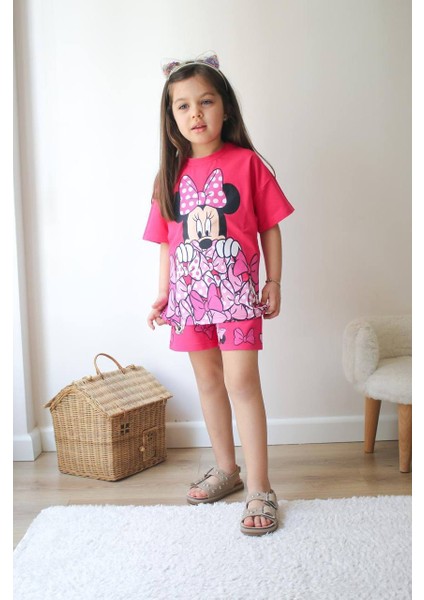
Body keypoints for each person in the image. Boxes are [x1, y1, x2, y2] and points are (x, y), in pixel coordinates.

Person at [143, 52, 294, 536]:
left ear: (225, 108)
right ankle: (227, 470)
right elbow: (167, 242)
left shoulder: (247, 164)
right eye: (183, 105)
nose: (196, 114)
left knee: (241, 383)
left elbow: (270, 227)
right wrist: (164, 293)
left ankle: (261, 487)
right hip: (189, 301)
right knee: (208, 382)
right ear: (171, 116)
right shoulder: (168, 176)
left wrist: (273, 281)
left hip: (236, 296)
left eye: (206, 102)